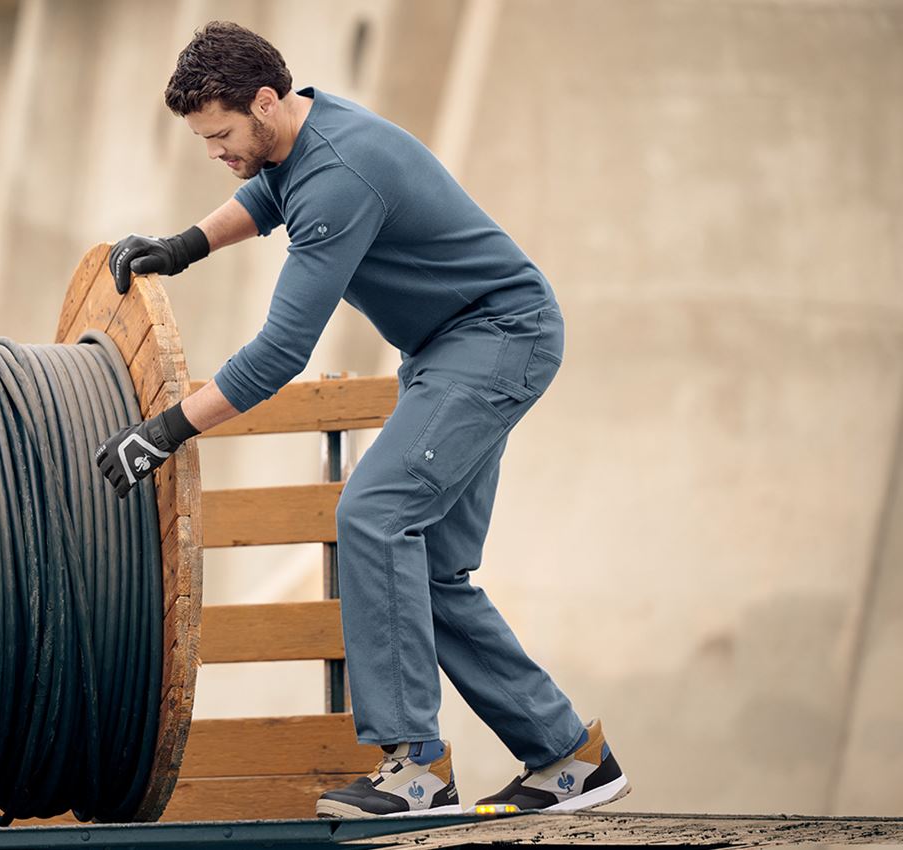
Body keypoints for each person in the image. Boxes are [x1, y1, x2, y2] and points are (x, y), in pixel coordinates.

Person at [95, 20, 630, 819]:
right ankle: (566, 756)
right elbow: (264, 194)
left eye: (222, 134)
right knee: (431, 571)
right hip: (454, 344)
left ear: (266, 102)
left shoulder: (340, 177)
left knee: (375, 515)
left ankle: (414, 766)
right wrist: (181, 247)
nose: (217, 151)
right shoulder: (302, 136)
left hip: (495, 340)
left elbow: (279, 353)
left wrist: (164, 431)